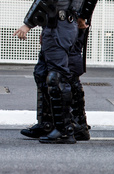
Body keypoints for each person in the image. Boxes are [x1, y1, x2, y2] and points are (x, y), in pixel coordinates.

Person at [18, 1, 97, 142]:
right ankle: (56, 124)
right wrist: (82, 17)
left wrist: (28, 24)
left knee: (57, 77)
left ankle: (64, 129)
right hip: (65, 24)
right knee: (44, 73)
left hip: (60, 27)